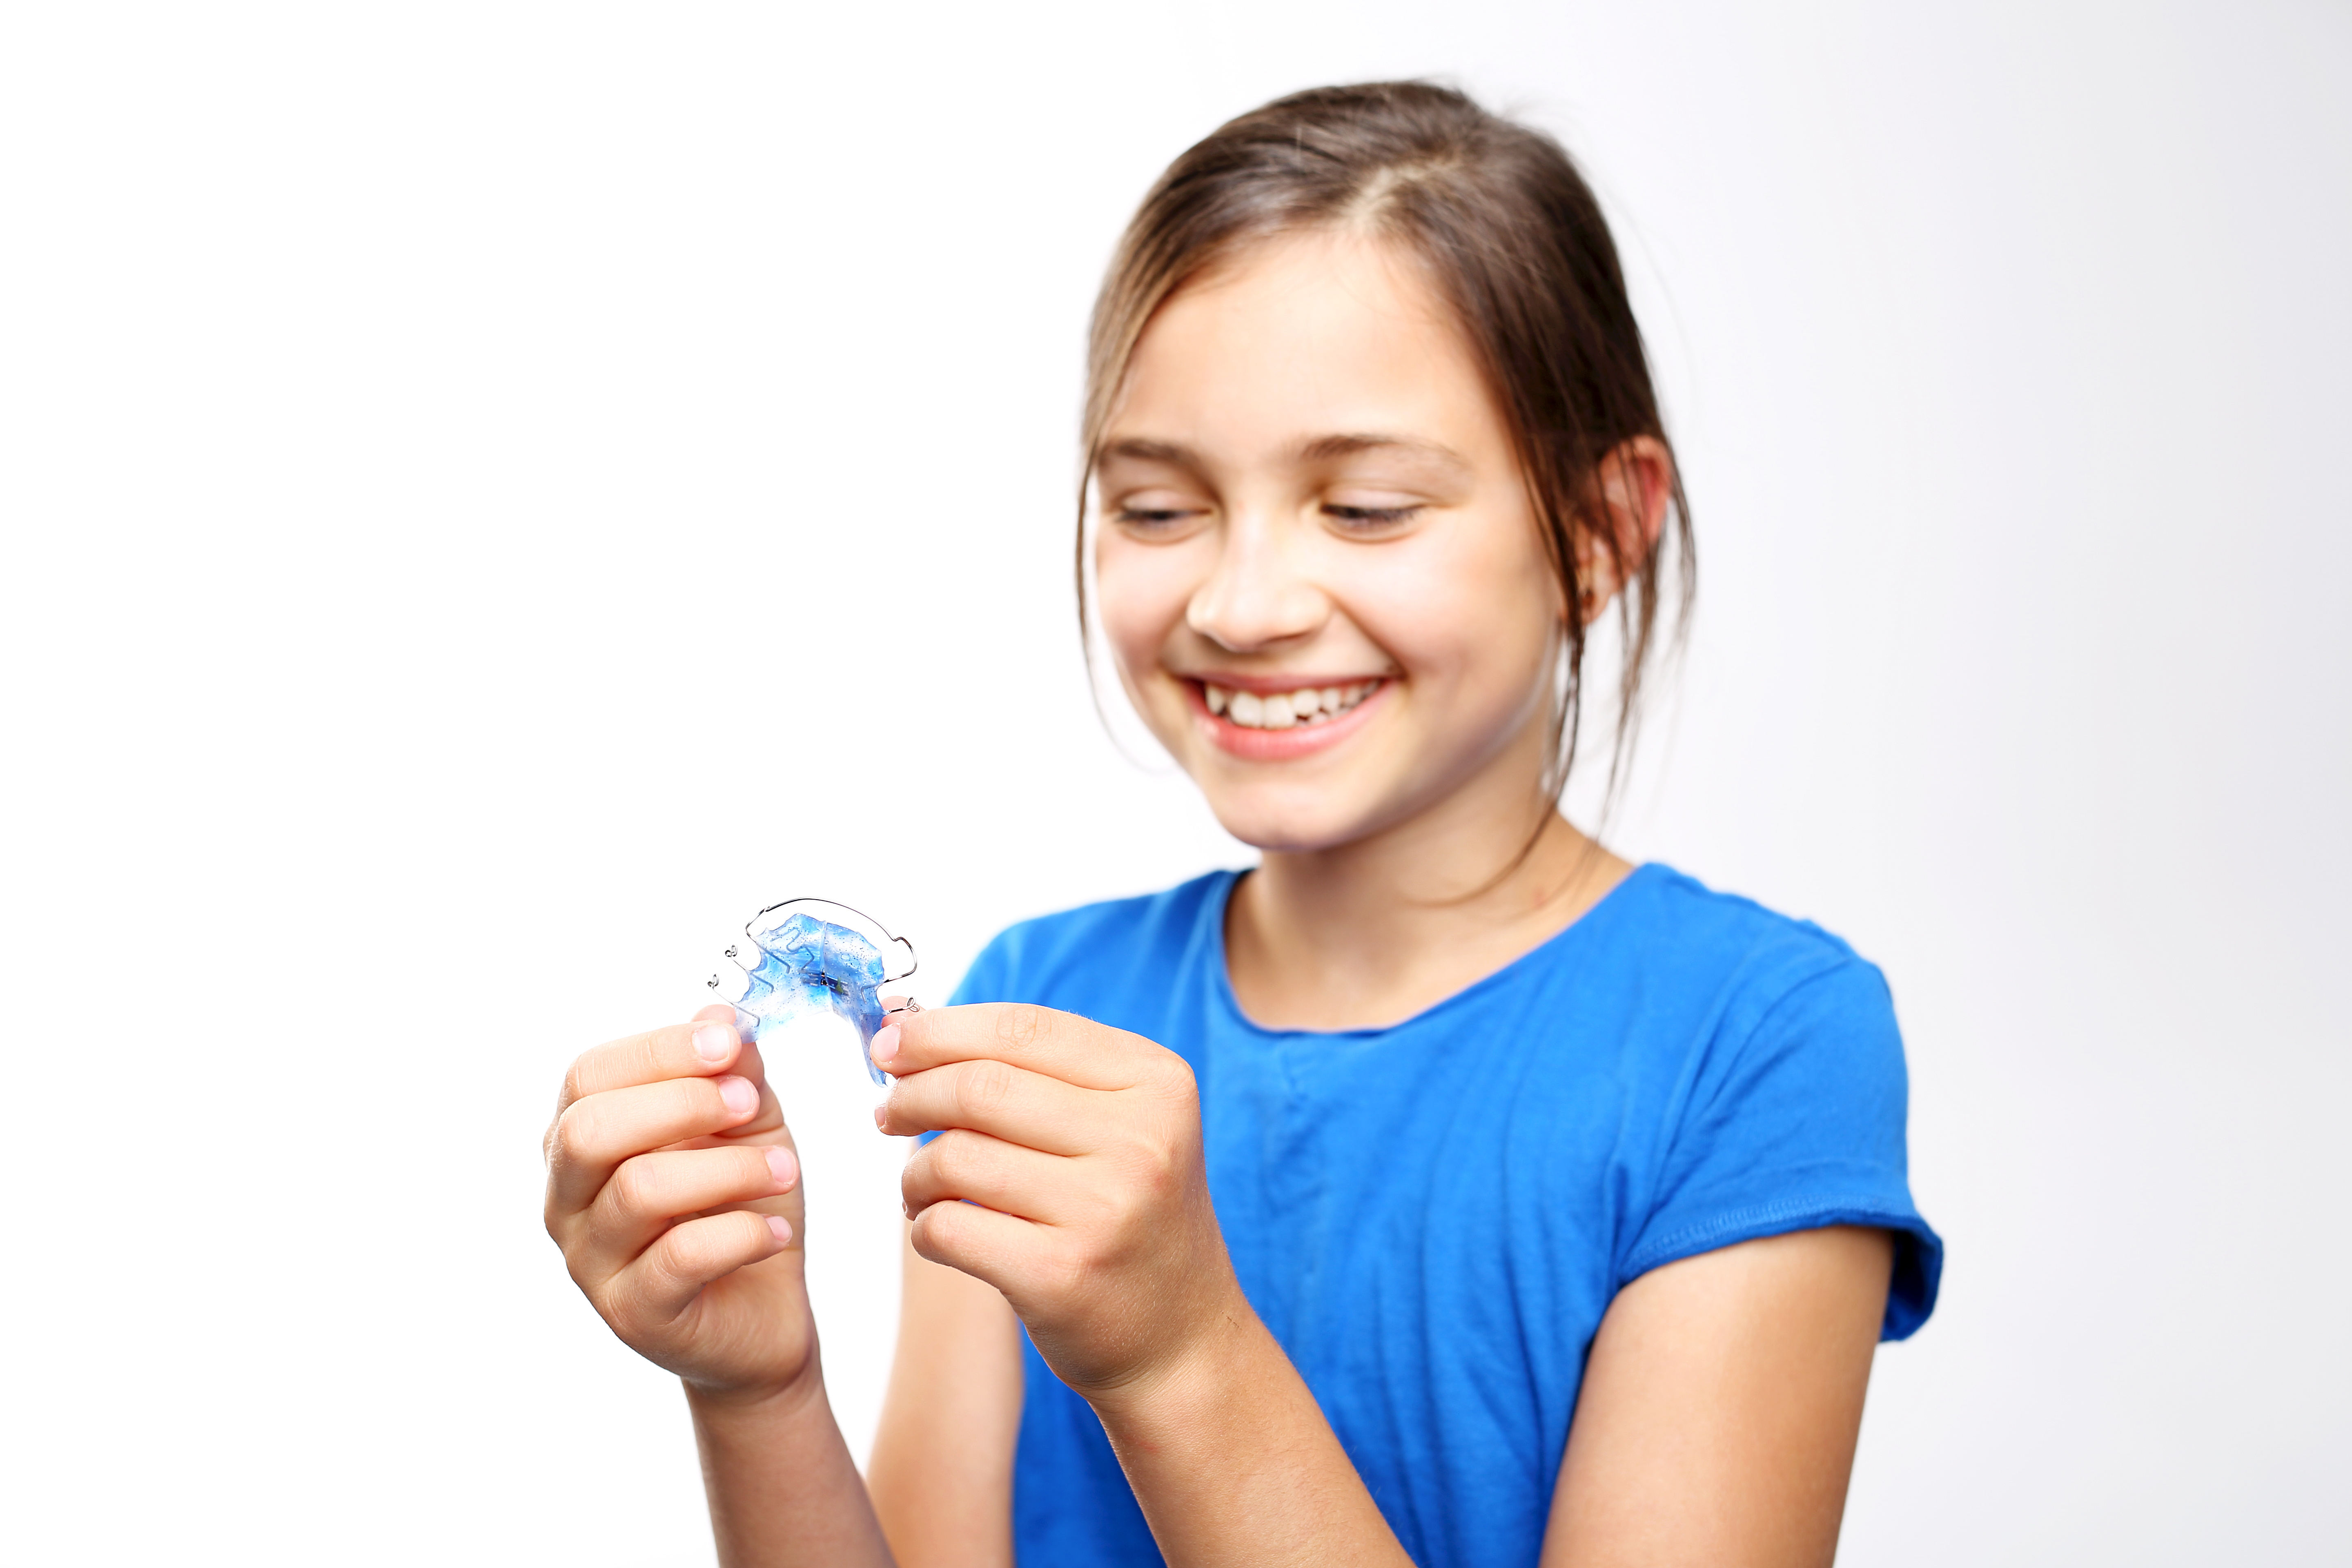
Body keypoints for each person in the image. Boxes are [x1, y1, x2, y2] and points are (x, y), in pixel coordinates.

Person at [541, 81, 1941, 1568]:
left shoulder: (1759, 1045)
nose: (1243, 604)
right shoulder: (1040, 1005)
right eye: (1158, 510)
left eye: (1368, 508)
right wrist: (755, 1390)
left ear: (1598, 532)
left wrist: (1182, 1356)